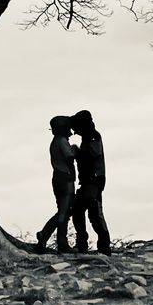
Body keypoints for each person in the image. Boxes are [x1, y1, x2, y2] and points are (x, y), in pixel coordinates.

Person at [70, 109, 111, 254]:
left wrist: (77, 153)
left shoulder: (92, 136)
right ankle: (83, 243)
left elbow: (92, 155)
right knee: (78, 211)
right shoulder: (89, 136)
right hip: (89, 181)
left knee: (94, 214)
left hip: (93, 181)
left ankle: (104, 245)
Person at [36, 115, 79, 252]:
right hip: (65, 178)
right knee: (64, 211)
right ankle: (60, 242)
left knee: (62, 210)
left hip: (58, 178)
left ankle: (46, 235)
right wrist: (76, 150)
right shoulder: (61, 141)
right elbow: (69, 156)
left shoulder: (55, 142)